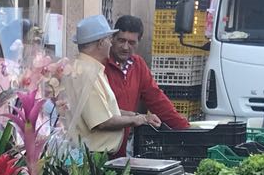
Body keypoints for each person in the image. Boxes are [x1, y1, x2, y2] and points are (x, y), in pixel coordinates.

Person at [63, 15, 158, 156]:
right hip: (92, 156)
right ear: (101, 43)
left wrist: (136, 115)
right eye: (109, 39)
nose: (111, 43)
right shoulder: (88, 73)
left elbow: (105, 109)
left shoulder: (83, 68)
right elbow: (102, 121)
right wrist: (138, 120)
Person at [106, 15, 192, 153]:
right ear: (112, 39)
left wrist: (184, 129)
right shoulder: (102, 64)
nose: (125, 47)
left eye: (132, 43)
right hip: (103, 140)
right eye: (121, 40)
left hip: (126, 140)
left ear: (139, 42)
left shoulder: (138, 64)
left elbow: (157, 99)